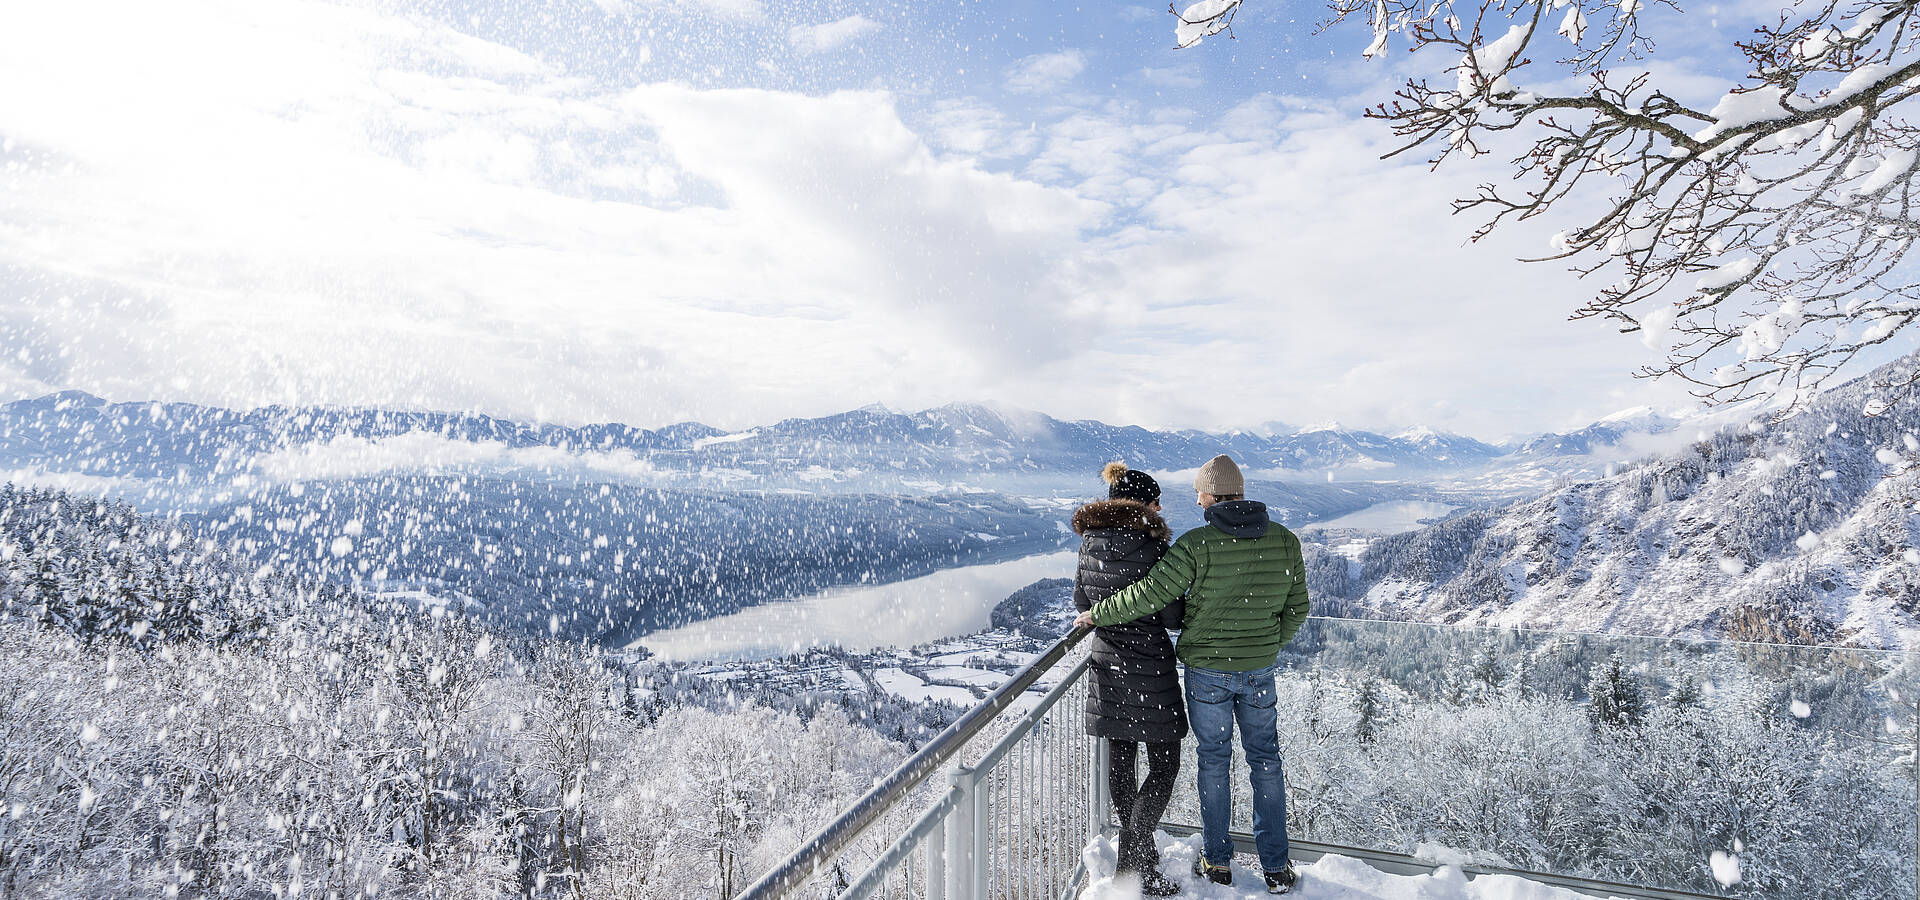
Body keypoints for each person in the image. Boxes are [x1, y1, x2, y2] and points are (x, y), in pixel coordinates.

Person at [1073, 454, 1310, 895]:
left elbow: (1150, 596)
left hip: (1198, 671)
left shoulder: (1196, 544)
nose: (1195, 499)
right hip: (1253, 670)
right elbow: (1298, 608)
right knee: (1266, 761)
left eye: (1199, 491)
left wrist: (1098, 613)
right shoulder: (1285, 541)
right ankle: (1276, 866)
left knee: (1213, 761)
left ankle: (1216, 861)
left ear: (1212, 495)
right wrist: (1267, 643)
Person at [1072, 463, 1186, 897]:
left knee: (1121, 762)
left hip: (1107, 667)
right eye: (1156, 501)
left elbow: (1082, 600)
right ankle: (1133, 867)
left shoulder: (1090, 542)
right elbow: (1173, 615)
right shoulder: (1155, 547)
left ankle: (1139, 858)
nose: (1161, 509)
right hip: (1150, 668)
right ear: (1143, 502)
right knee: (1164, 765)